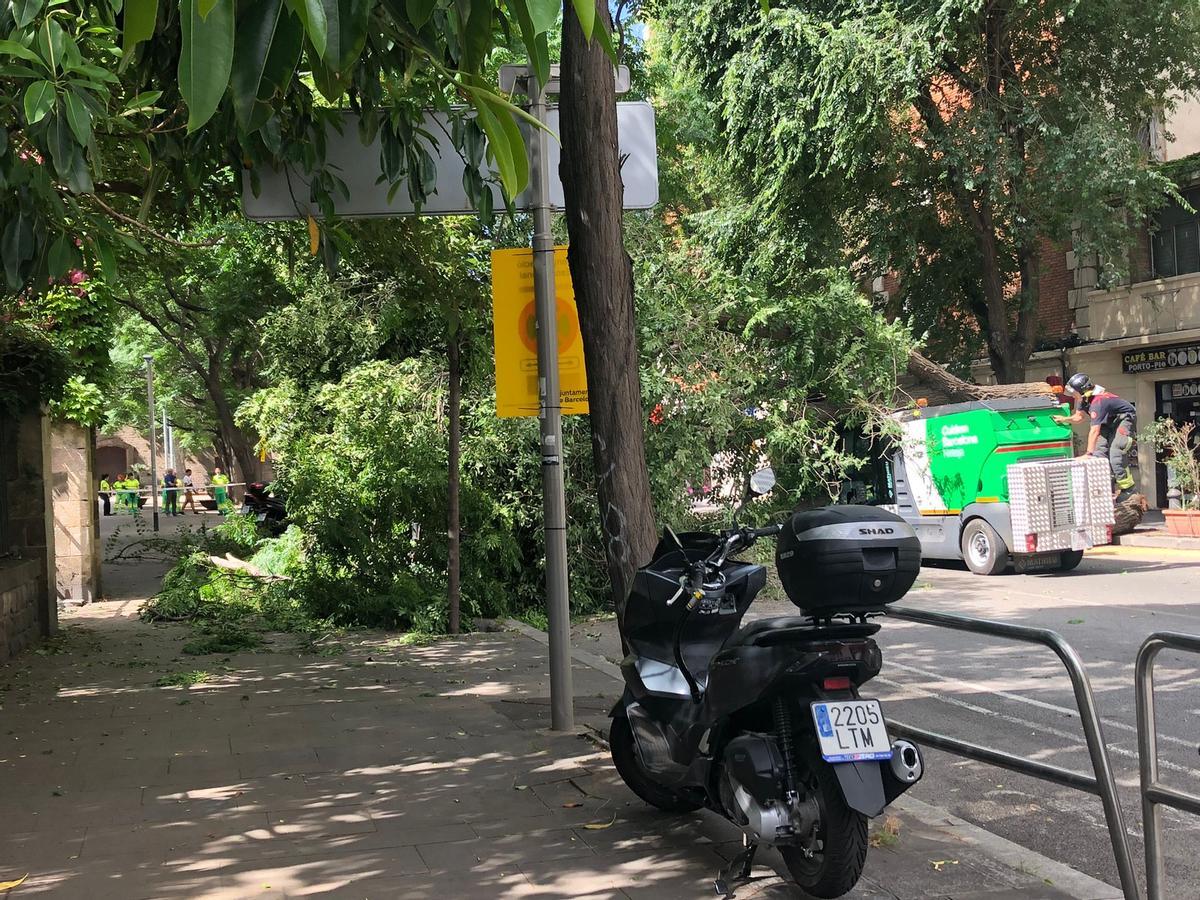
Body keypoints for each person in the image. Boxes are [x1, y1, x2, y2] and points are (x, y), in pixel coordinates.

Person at [1052, 373, 1137, 494]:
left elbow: (1094, 431)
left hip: (1122, 420)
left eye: (1073, 392)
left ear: (1081, 391)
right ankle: (1106, 488)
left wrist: (1088, 453)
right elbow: (1078, 417)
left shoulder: (1098, 402)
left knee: (1116, 452)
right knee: (1099, 453)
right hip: (1107, 422)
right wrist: (1063, 419)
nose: (1072, 396)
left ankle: (1128, 490)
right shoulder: (1083, 399)